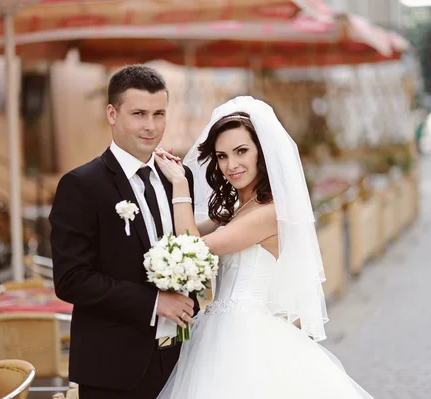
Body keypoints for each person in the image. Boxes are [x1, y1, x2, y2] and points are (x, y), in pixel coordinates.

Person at [153, 96, 374, 398]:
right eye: (222, 156)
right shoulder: (236, 209)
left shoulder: (270, 212)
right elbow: (178, 232)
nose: (232, 165)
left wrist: (180, 185)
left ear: (262, 153)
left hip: (248, 338)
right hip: (216, 333)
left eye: (241, 151)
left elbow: (192, 248)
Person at [49, 65, 198, 399]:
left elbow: (192, 249)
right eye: (139, 114)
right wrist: (155, 302)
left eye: (159, 114)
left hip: (183, 361)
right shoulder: (81, 185)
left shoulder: (178, 176)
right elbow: (71, 279)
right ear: (112, 114)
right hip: (113, 369)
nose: (151, 126)